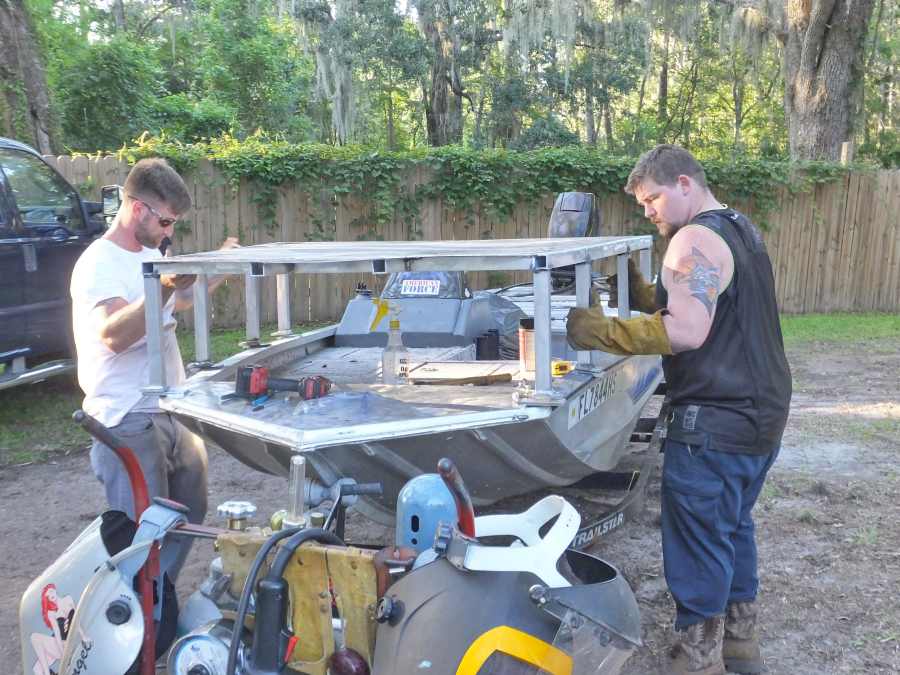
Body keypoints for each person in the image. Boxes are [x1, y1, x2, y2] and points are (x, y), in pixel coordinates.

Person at [566, 145, 791, 675]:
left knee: (697, 540)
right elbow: (712, 302)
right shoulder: (740, 230)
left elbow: (689, 330)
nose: (649, 211)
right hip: (761, 411)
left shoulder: (692, 241)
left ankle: (698, 661)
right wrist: (650, 297)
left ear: (685, 184)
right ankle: (739, 645)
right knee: (731, 526)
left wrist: (601, 330)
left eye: (654, 199)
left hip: (716, 417)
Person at [70, 157, 238, 581]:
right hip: (126, 416)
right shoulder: (98, 264)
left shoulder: (151, 253)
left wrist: (216, 266)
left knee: (188, 514)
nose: (170, 232)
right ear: (138, 208)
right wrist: (162, 284)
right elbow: (113, 334)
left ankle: (156, 605)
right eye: (166, 222)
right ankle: (133, 622)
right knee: (139, 535)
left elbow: (178, 302)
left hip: (169, 407)